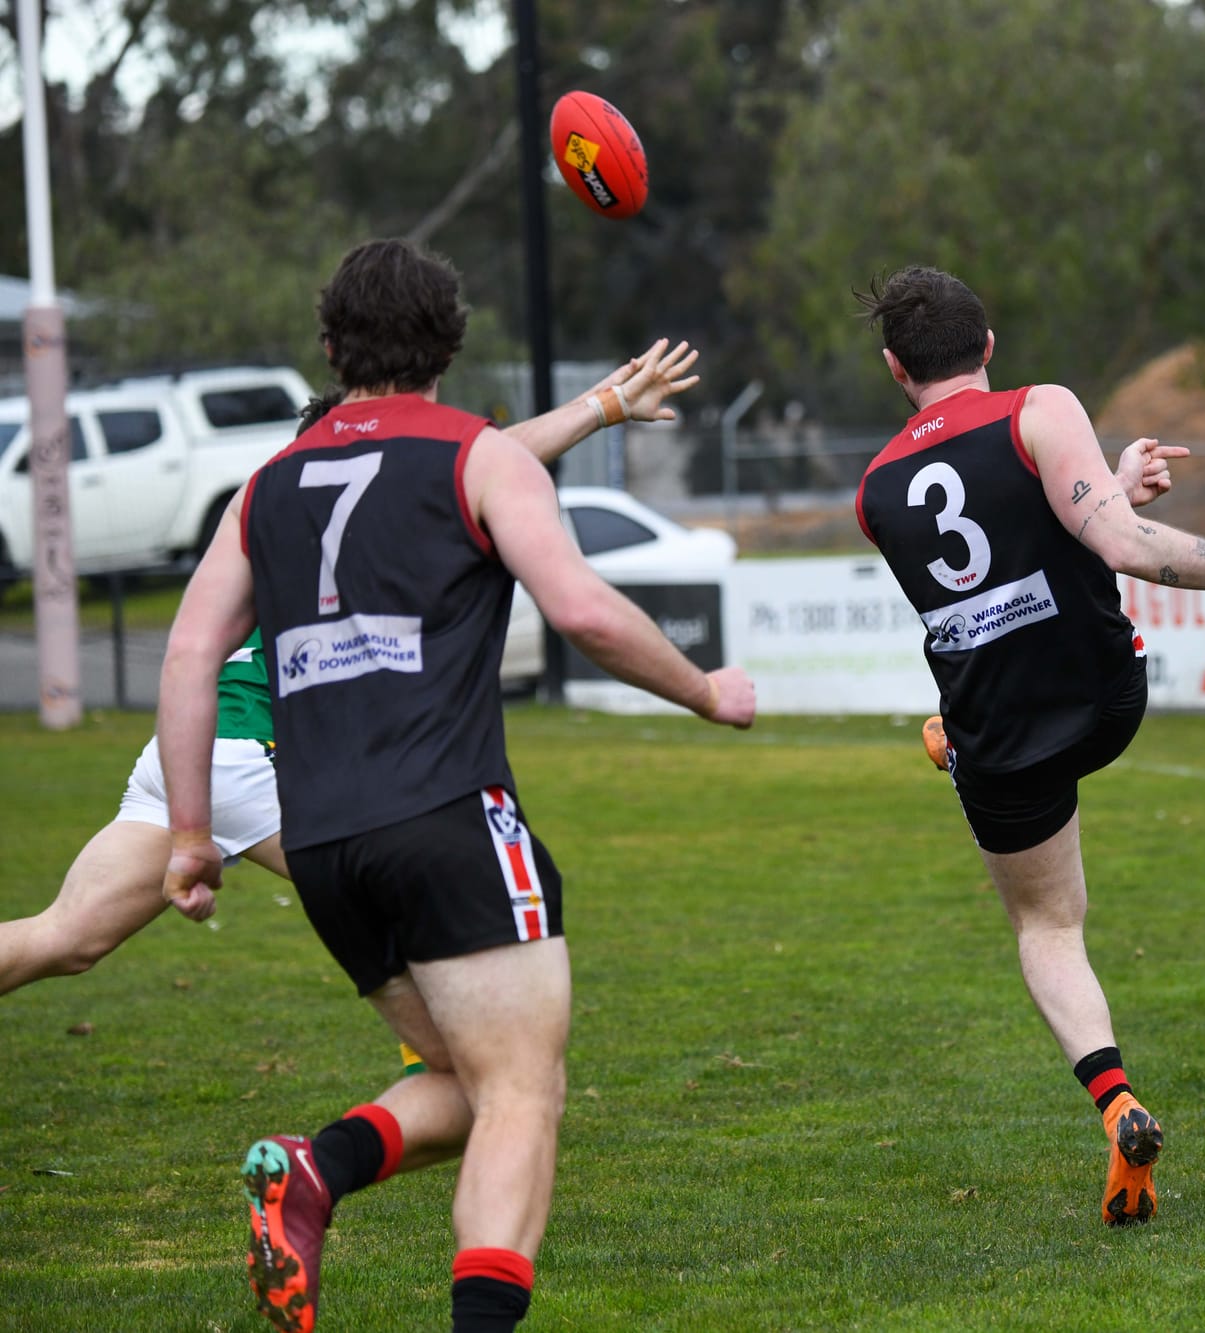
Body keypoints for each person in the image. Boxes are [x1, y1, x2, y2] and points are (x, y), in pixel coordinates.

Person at [158, 239, 756, 1333]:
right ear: (449, 346)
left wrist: (191, 833)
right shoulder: (478, 455)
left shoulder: (267, 487)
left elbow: (192, 652)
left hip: (324, 844)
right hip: (447, 819)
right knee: (523, 1089)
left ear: (330, 348)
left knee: (474, 1080)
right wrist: (705, 690)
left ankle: (317, 1170)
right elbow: (581, 610)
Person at [854, 266, 1205, 1226]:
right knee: (999, 763)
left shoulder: (875, 489)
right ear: (988, 344)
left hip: (1001, 729)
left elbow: (991, 554)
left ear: (896, 368)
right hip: (1103, 699)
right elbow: (1118, 546)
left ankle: (1113, 1094)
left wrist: (1107, 491)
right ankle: (1124, 1118)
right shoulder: (1040, 407)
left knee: (1047, 926)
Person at [0, 338, 702, 1001]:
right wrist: (603, 407)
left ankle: (447, 1079)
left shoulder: (279, 509)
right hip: (249, 753)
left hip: (186, 755)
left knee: (67, 937)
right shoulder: (372, 505)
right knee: (412, 928)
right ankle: (429, 1089)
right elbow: (484, 462)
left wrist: (605, 406)